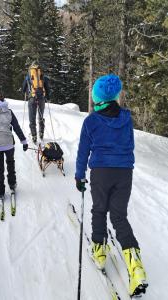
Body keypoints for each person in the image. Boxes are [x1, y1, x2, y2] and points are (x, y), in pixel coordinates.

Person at [75, 74, 148, 297]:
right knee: (119, 216)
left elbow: (83, 151)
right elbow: (130, 145)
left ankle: (99, 251)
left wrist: (79, 176)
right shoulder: (126, 117)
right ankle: (135, 266)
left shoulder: (91, 121)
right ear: (115, 95)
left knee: (99, 210)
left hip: (101, 172)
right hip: (124, 173)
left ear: (97, 97)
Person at [22, 62, 50, 143]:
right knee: (41, 117)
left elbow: (23, 88)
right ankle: (41, 133)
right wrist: (47, 97)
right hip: (41, 99)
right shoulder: (43, 75)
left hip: (32, 98)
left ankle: (34, 136)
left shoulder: (28, 76)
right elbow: (47, 88)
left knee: (32, 118)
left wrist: (27, 92)